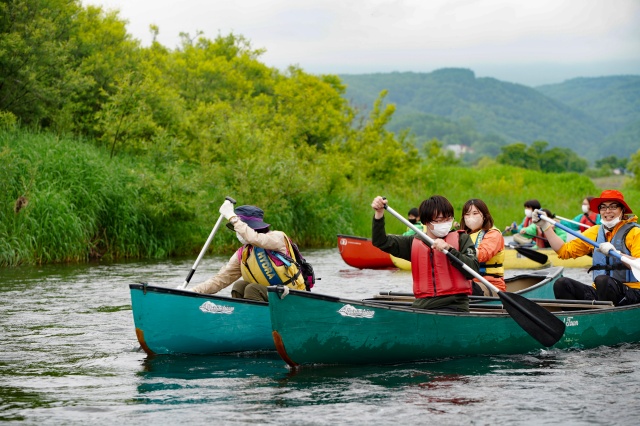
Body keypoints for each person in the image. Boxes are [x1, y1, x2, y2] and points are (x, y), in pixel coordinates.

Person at [371, 195, 480, 312]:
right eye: (439, 220)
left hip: (454, 306)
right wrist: (379, 214)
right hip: (422, 306)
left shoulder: (462, 239)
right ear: (426, 222)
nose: (445, 223)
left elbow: (472, 270)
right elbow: (380, 242)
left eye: (448, 219)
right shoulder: (413, 242)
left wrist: (450, 250)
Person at [532, 189, 640, 306]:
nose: (607, 211)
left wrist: (618, 253)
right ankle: (579, 321)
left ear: (622, 210)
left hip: (632, 293)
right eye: (603, 207)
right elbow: (564, 251)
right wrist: (545, 226)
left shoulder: (635, 232)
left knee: (603, 281)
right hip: (601, 293)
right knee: (562, 284)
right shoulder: (595, 232)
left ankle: (607, 318)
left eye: (613, 207)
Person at [190, 201, 307, 301]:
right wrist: (193, 291)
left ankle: (258, 322)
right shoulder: (243, 254)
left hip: (292, 296)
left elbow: (254, 238)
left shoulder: (276, 238)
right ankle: (243, 320)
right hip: (270, 297)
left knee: (252, 289)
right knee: (239, 286)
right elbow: (220, 280)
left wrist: (232, 217)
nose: (238, 232)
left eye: (239, 227)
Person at [460, 199, 506, 295]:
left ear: (484, 216)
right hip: (469, 281)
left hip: (491, 284)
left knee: (464, 287)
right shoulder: (462, 235)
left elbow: (482, 254)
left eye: (475, 213)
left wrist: (457, 251)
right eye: (467, 214)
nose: (470, 217)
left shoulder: (493, 234)